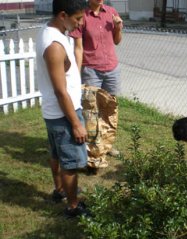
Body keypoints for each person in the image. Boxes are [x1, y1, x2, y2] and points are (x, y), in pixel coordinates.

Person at [36, 0, 89, 218]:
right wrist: (76, 124)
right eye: (77, 19)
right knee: (71, 162)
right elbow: (60, 91)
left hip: (53, 112)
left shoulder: (50, 31)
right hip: (63, 113)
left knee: (56, 153)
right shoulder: (55, 46)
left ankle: (60, 191)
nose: (80, 24)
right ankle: (73, 207)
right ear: (63, 15)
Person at [69, 0, 123, 157]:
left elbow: (117, 41)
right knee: (91, 111)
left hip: (112, 68)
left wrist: (118, 27)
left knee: (109, 108)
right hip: (91, 70)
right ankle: (93, 147)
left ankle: (107, 144)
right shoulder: (82, 16)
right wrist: (76, 73)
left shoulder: (112, 12)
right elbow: (78, 48)